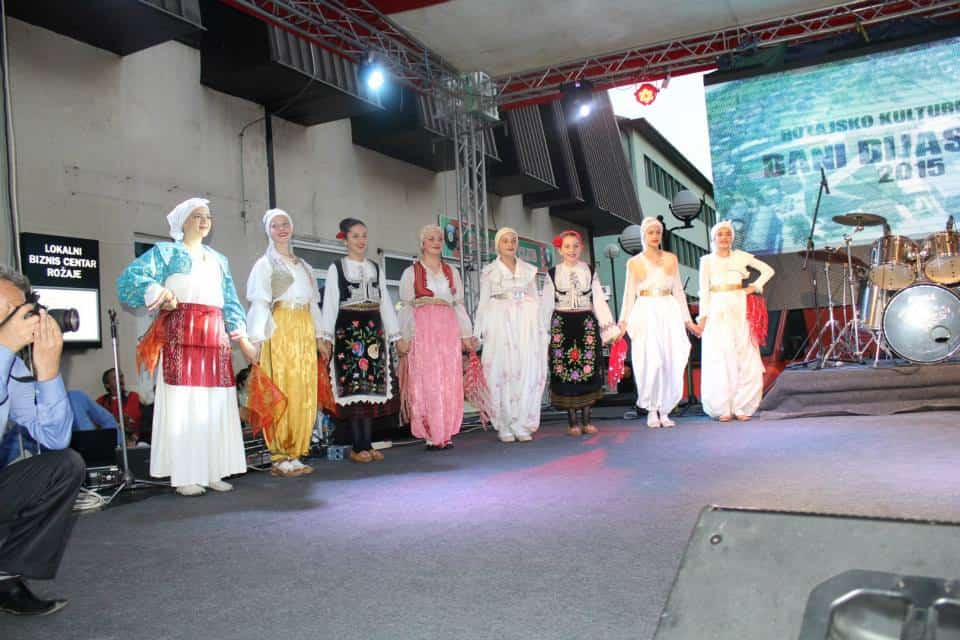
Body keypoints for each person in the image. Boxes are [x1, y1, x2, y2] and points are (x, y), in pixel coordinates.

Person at [117, 197, 255, 496]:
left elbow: (230, 300)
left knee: (216, 404)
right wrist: (160, 292)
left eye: (208, 216)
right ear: (183, 222)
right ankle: (186, 474)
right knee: (186, 404)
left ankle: (214, 469)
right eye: (197, 216)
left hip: (215, 337)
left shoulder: (219, 259)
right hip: (182, 334)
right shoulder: (166, 252)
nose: (204, 221)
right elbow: (130, 279)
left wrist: (242, 338)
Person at [0, 264, 83, 616]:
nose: (18, 318)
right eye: (7, 309)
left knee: (65, 466)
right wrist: (4, 347)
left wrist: (48, 373)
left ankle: (5, 576)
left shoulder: (13, 368)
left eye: (20, 310)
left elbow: (55, 439)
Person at [246, 209, 323, 477]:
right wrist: (256, 340)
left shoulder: (304, 266)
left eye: (285, 224)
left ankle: (296, 451)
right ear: (268, 231)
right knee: (282, 386)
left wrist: (320, 336)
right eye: (275, 225)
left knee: (303, 388)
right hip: (280, 328)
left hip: (304, 328)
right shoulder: (265, 264)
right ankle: (279, 455)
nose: (281, 229)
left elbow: (313, 304)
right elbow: (260, 303)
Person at [318, 218, 400, 463]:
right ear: (345, 239)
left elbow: (385, 302)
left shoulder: (375, 267)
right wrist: (326, 337)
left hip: (373, 332)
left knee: (370, 387)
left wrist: (395, 335)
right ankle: (357, 446)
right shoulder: (337, 268)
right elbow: (330, 304)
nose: (361, 240)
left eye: (364, 235)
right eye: (355, 236)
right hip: (349, 333)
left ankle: (367, 443)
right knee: (354, 386)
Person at [397, 224, 476, 450]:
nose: (436, 242)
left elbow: (458, 304)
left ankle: (446, 431)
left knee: (449, 378)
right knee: (427, 378)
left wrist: (466, 334)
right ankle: (432, 432)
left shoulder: (452, 272)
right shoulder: (411, 272)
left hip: (448, 329)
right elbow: (406, 306)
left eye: (439, 239)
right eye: (431, 238)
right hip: (423, 330)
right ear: (422, 243)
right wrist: (404, 336)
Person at [618, 218, 698, 428]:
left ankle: (665, 410)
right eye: (650, 232)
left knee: (668, 360)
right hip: (645, 312)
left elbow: (678, 291)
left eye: (658, 232)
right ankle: (652, 410)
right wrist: (622, 322)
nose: (655, 236)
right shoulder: (634, 262)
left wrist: (688, 321)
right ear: (643, 235)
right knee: (651, 361)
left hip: (668, 311)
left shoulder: (671, 259)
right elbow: (628, 294)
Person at [541, 230, 618, 436]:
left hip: (586, 323)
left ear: (581, 248)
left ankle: (587, 420)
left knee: (588, 369)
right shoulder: (553, 273)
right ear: (560, 250)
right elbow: (546, 306)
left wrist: (609, 329)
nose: (571, 250)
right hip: (562, 325)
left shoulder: (589, 271)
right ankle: (572, 422)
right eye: (567, 246)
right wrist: (543, 333)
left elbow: (599, 300)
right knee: (564, 370)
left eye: (575, 246)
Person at [696, 220, 775, 421]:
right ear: (714, 238)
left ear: (732, 237)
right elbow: (704, 291)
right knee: (720, 357)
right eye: (720, 234)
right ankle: (722, 408)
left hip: (739, 307)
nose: (724, 237)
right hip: (716, 308)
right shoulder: (706, 261)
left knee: (744, 355)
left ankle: (742, 406)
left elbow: (768, 270)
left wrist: (754, 287)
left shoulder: (741, 256)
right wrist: (703, 317)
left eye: (727, 234)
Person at [473, 227, 547, 443]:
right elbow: (483, 304)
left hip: (525, 324)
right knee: (501, 371)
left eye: (513, 240)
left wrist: (542, 329)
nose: (510, 244)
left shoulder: (528, 270)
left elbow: (536, 300)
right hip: (500, 324)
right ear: (498, 245)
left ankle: (522, 423)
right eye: (505, 241)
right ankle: (504, 424)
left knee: (526, 369)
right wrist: (478, 333)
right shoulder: (489, 272)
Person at [96, 368, 143, 445]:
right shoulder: (101, 401)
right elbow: (96, 423)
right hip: (108, 442)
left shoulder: (132, 396)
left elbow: (128, 420)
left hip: (131, 441)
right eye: (115, 378)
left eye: (121, 376)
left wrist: (107, 421)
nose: (120, 380)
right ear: (107, 385)